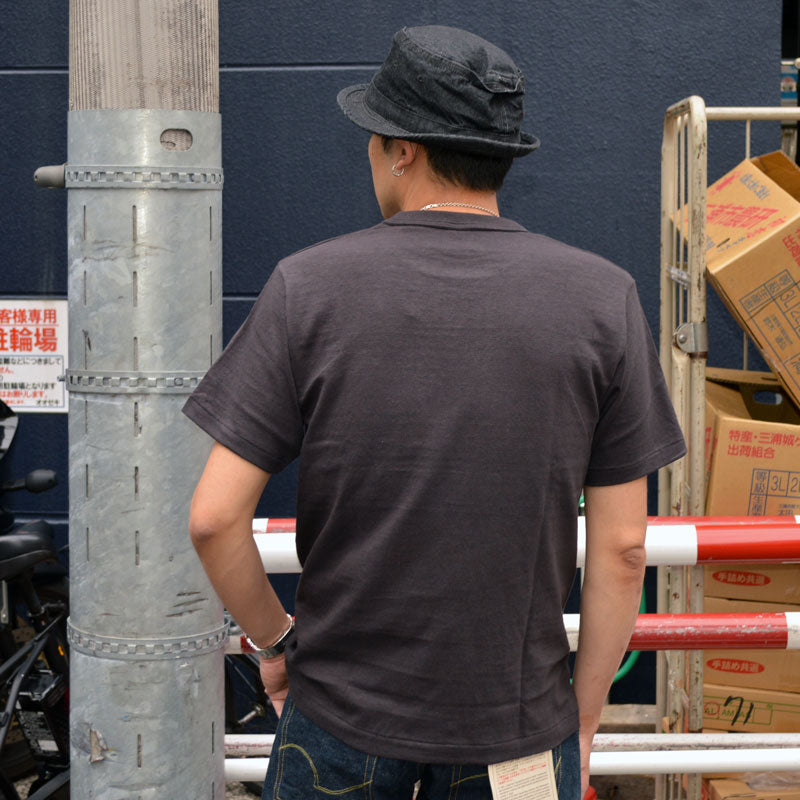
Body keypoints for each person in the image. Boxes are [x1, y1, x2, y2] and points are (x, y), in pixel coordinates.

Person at [183, 25, 686, 800]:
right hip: (518, 732)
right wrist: (581, 724)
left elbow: (215, 519)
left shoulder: (307, 288)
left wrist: (279, 644)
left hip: (338, 724)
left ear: (403, 149)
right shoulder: (602, 298)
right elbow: (621, 550)